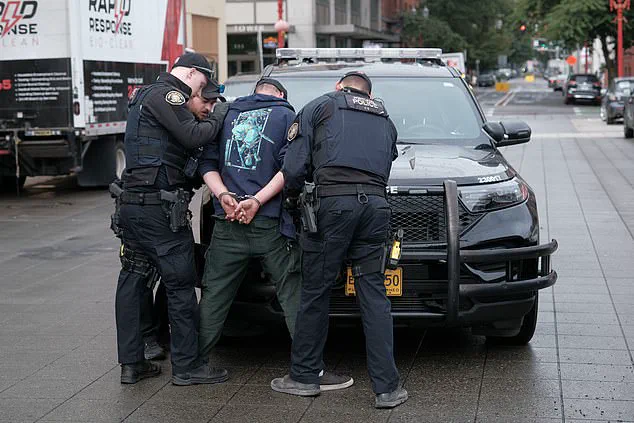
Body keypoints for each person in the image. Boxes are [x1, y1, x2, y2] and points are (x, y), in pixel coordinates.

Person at [270, 71, 408, 408]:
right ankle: (387, 388)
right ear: (368, 95)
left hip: (332, 207)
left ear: (339, 87)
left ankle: (304, 376)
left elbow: (294, 168)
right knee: (373, 294)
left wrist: (293, 201)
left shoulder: (320, 106)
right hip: (376, 208)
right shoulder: (385, 120)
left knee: (315, 291)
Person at [115, 52, 230, 386]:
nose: (204, 90)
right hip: (160, 211)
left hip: (134, 205)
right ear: (192, 73)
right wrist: (219, 116)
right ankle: (187, 366)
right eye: (204, 82)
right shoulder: (168, 94)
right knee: (180, 284)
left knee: (132, 280)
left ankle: (132, 364)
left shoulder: (145, 96)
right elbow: (193, 135)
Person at [196, 78, 302, 375]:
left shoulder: (226, 113)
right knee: (292, 291)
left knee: (215, 293)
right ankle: (308, 368)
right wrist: (256, 200)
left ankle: (193, 363)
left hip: (228, 220)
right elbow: (290, 169)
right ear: (280, 94)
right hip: (268, 222)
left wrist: (224, 196)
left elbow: (207, 164)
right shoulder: (287, 115)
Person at [138, 78, 228, 361]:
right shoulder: (176, 121)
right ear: (190, 97)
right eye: (205, 101)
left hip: (173, 209)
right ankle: (148, 339)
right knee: (143, 276)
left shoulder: (201, 124)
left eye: (215, 104)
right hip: (150, 207)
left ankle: (159, 335)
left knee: (176, 276)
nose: (209, 108)